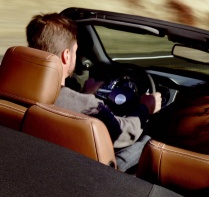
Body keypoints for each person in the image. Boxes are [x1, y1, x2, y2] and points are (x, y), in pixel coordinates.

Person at [25, 13, 161, 171]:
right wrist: (146, 108)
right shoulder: (89, 106)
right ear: (66, 56)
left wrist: (84, 94)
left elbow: (70, 103)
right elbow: (124, 133)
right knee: (148, 140)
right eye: (75, 51)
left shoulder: (10, 87)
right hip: (87, 174)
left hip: (35, 160)